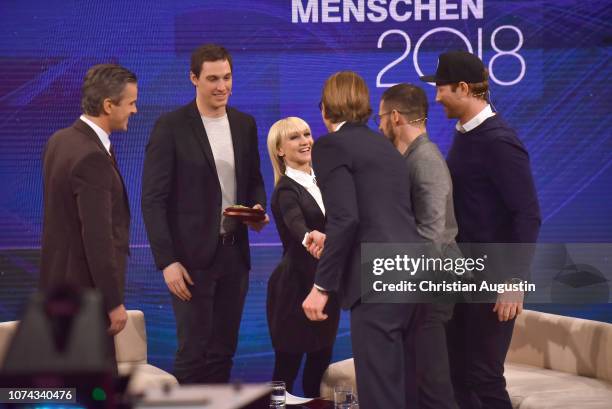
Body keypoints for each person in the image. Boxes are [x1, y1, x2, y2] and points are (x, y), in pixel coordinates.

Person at [141, 44, 268, 384]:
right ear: (193, 79)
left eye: (227, 78)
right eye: (212, 79)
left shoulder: (244, 124)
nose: (222, 86)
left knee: (223, 351)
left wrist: (257, 209)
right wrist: (167, 261)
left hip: (234, 256)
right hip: (189, 260)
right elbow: (153, 199)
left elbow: (254, 180)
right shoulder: (171, 127)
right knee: (193, 352)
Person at [421, 51, 541, 409]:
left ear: (463, 88)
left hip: (493, 280)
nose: (437, 96)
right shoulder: (465, 133)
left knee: (484, 376)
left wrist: (514, 281)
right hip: (464, 276)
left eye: (441, 88)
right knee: (459, 373)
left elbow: (528, 214)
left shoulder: (499, 141)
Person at [301, 71, 425, 409]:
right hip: (413, 274)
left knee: (380, 394)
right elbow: (375, 214)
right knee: (404, 389)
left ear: (326, 109)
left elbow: (346, 217)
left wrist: (321, 286)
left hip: (378, 282)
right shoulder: (383, 146)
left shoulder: (329, 146)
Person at [40, 64, 137, 344]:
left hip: (58, 292)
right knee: (93, 385)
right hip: (86, 298)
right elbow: (97, 237)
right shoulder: (91, 156)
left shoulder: (60, 141)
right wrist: (112, 301)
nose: (135, 110)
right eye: (131, 103)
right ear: (109, 105)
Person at [377, 83, 458, 409]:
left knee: (432, 387)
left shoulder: (425, 159)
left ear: (395, 117)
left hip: (431, 288)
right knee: (419, 384)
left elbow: (432, 235)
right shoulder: (412, 158)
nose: (379, 125)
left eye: (380, 118)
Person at [266, 117, 340, 397]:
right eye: (294, 137)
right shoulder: (285, 189)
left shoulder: (325, 181)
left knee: (319, 371)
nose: (305, 141)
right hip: (293, 290)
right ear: (280, 150)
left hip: (324, 285)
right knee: (285, 372)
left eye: (307, 134)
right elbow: (295, 221)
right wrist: (310, 237)